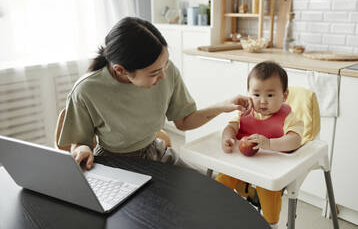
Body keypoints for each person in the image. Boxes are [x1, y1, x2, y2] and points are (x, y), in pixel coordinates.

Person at [58, 17, 252, 170]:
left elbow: (184, 121)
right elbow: (80, 143)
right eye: (154, 72)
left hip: (157, 153)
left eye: (165, 65)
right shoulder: (87, 90)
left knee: (204, 191)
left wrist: (222, 106)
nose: (163, 76)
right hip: (113, 163)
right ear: (121, 70)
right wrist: (82, 149)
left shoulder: (167, 72)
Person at [216, 61, 304, 229]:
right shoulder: (245, 112)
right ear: (249, 93)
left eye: (270, 95)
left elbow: (295, 139)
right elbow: (231, 127)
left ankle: (271, 223)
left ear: (284, 96)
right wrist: (227, 138)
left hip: (268, 171)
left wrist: (269, 143)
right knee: (221, 182)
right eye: (256, 95)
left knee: (269, 193)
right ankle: (219, 212)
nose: (262, 101)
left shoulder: (288, 117)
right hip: (241, 165)